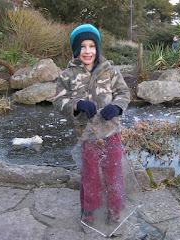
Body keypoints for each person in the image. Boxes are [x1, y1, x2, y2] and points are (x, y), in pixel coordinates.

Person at [53, 24, 130, 225]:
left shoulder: (111, 71)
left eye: (92, 46)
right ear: (76, 49)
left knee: (113, 171)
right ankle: (89, 207)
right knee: (90, 174)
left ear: (98, 48)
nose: (87, 51)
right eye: (82, 47)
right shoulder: (66, 76)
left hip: (109, 131)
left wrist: (117, 107)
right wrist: (77, 104)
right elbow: (59, 101)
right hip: (85, 134)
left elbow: (124, 94)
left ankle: (114, 207)